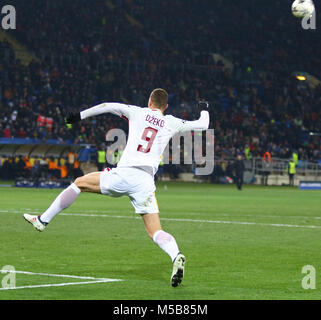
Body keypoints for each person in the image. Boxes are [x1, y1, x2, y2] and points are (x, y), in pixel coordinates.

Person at [23, 88, 210, 287]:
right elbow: (203, 125)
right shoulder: (171, 122)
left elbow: (107, 106)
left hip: (125, 173)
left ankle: (43, 220)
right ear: (165, 107)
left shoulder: (137, 112)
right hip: (145, 180)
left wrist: (79, 116)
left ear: (149, 102)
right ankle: (176, 256)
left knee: (79, 183)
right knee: (155, 231)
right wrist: (204, 108)